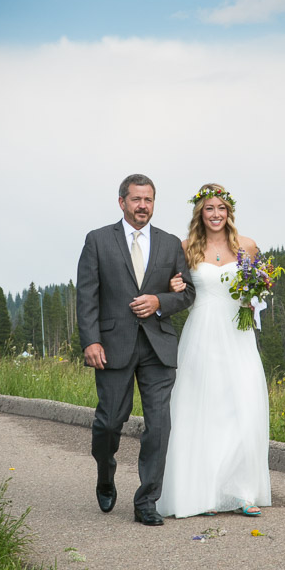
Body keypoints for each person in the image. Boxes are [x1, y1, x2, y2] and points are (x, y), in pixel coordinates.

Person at [76, 174, 195, 526]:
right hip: (112, 347)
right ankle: (105, 471)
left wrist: (161, 300)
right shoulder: (97, 240)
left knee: (159, 425)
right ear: (122, 202)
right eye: (136, 199)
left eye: (148, 200)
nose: (143, 205)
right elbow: (87, 296)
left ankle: (147, 502)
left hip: (158, 347)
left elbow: (186, 293)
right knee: (110, 422)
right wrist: (91, 340)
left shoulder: (171, 244)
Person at [156, 184, 272, 519]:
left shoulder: (247, 246)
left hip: (238, 334)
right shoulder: (185, 247)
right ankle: (203, 493)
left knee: (243, 407)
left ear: (229, 211)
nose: (216, 214)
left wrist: (257, 295)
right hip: (202, 333)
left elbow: (260, 288)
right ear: (200, 213)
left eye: (221, 208)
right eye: (209, 209)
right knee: (202, 410)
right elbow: (171, 288)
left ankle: (242, 492)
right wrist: (173, 286)